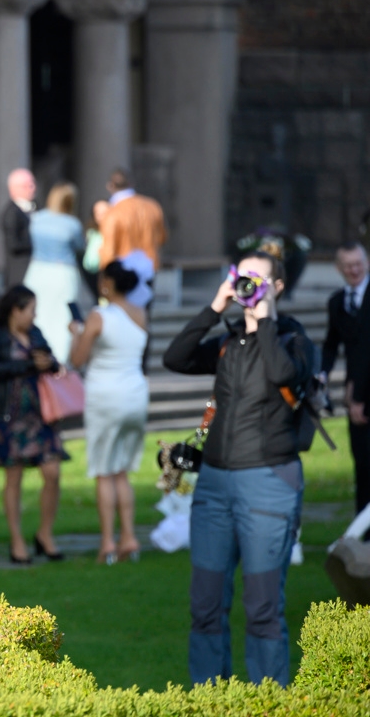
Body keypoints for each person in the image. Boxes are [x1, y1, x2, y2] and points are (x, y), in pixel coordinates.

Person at [163, 251, 314, 687]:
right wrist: (215, 307)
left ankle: (269, 703)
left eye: (257, 279)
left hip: (268, 484)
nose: (247, 285)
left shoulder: (294, 341)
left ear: (278, 287)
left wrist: (263, 319)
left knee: (263, 609)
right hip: (214, 487)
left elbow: (283, 373)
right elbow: (175, 357)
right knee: (205, 607)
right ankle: (209, 700)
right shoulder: (228, 342)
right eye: (241, 277)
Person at [0, 285, 68, 564]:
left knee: (52, 472)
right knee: (13, 476)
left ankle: (45, 533)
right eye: (30, 310)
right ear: (15, 310)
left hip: (39, 416)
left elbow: (51, 362)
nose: (34, 316)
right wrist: (29, 366)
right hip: (8, 416)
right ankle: (17, 540)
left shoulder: (35, 333)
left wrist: (49, 362)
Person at [69, 260, 150, 565]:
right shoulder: (139, 313)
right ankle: (129, 536)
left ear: (107, 283)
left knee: (103, 470)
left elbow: (78, 359)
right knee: (121, 471)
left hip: (105, 395)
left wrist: (76, 333)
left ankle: (107, 543)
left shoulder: (98, 316)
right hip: (135, 394)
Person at [321, 242, 370, 520]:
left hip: (362, 394)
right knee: (362, 466)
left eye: (358, 263)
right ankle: (362, 534)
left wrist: (359, 396)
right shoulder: (337, 302)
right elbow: (331, 345)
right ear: (339, 269)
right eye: (347, 265)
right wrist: (322, 374)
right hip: (355, 397)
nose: (354, 270)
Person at [24, 182, 85, 363]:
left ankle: (37, 352)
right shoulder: (72, 224)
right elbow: (80, 247)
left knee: (38, 314)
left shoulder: (37, 219)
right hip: (62, 272)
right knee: (61, 318)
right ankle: (58, 358)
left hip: (37, 271)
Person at [99, 168, 168, 270]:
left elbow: (108, 250)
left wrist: (106, 275)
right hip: (149, 267)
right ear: (131, 184)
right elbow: (161, 237)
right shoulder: (152, 206)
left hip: (122, 272)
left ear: (110, 186)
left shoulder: (112, 213)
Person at [1, 169, 36, 288]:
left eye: (32, 184)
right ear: (13, 189)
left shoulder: (36, 208)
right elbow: (13, 244)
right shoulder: (11, 213)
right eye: (26, 186)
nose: (31, 188)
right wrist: (37, 243)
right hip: (19, 272)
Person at [82, 200, 110, 296]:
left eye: (105, 213)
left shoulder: (115, 234)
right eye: (98, 214)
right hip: (93, 275)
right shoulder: (91, 233)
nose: (102, 217)